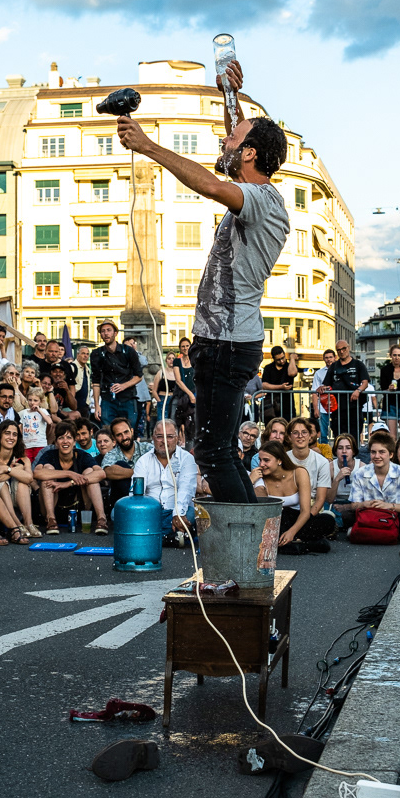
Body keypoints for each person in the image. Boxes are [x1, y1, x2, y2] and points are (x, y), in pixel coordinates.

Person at [117, 59, 289, 504]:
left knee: (213, 452)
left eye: (232, 137)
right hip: (218, 341)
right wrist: (228, 97)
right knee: (220, 451)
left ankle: (249, 550)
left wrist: (150, 147)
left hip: (230, 344)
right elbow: (235, 154)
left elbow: (215, 184)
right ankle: (249, 548)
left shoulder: (263, 200)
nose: (223, 138)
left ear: (251, 153)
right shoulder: (255, 189)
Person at [252, 441, 331, 552]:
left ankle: (291, 543)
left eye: (266, 460)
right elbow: (264, 509)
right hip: (275, 521)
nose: (261, 464)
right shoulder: (259, 476)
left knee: (328, 521)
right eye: (260, 460)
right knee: (280, 519)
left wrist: (291, 532)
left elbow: (305, 511)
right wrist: (251, 481)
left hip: (298, 520)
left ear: (279, 460)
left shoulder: (299, 472)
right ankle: (304, 545)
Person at [348, 431, 400, 542]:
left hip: (393, 516)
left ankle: (361, 530)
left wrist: (388, 506)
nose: (377, 456)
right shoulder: (360, 473)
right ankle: (396, 532)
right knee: (347, 515)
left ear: (391, 454)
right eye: (373, 452)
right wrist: (365, 504)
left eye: (382, 452)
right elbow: (354, 505)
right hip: (369, 514)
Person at [33, 421, 107, 535]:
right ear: (56, 442)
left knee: (89, 472)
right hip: (53, 505)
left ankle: (102, 519)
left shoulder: (81, 455)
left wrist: (68, 483)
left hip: (79, 507)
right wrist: (69, 474)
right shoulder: (49, 454)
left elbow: (101, 473)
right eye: (61, 438)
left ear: (74, 442)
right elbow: (37, 473)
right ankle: (51, 519)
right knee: (47, 469)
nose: (65, 441)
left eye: (69, 437)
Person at [132, 420, 198, 544]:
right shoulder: (143, 461)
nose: (164, 441)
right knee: (117, 513)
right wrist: (137, 513)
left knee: (193, 514)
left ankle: (146, 536)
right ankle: (172, 537)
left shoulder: (187, 458)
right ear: (152, 438)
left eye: (170, 437)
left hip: (176, 511)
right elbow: (135, 493)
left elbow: (186, 488)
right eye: (159, 436)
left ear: (177, 438)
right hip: (151, 513)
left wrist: (178, 514)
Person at [0, 420, 35, 540]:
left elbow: (29, 478)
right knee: (2, 483)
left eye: (14, 434)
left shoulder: (23, 458)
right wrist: (17, 472)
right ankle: (17, 525)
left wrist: (6, 469)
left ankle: (29, 524)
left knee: (22, 483)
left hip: (19, 501)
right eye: (7, 433)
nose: (11, 437)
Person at [285, 417, 336, 537]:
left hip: (311, 512)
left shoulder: (322, 462)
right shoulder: (283, 459)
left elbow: (320, 499)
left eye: (304, 432)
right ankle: (306, 540)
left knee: (328, 521)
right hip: (289, 509)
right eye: (295, 433)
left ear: (310, 436)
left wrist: (305, 519)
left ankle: (296, 537)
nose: (300, 436)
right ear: (289, 437)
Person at [91, 320, 143, 428]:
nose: (106, 333)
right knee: (107, 430)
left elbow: (139, 376)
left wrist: (123, 386)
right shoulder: (97, 353)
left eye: (109, 330)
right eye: (103, 331)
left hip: (127, 397)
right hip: (108, 399)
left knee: (129, 429)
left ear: (115, 333)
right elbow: (95, 381)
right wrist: (97, 405)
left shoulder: (128, 351)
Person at [321, 340, 369, 446]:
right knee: (339, 437)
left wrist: (358, 390)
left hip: (354, 407)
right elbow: (327, 384)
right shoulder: (334, 366)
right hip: (337, 408)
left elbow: (365, 382)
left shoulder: (358, 364)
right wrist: (322, 389)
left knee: (354, 436)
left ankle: (354, 458)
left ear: (349, 348)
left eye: (344, 349)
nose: (342, 352)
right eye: (339, 350)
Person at [101, 416, 154, 509]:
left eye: (126, 432)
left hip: (148, 497)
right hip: (121, 502)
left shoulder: (147, 448)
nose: (124, 437)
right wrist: (138, 473)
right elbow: (107, 472)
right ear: (114, 438)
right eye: (119, 435)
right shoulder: (112, 454)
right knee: (120, 465)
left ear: (132, 431)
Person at [326, 433, 365, 527]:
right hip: (335, 503)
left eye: (348, 448)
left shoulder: (362, 468)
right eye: (340, 448)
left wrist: (346, 507)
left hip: (356, 504)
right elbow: (329, 499)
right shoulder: (330, 467)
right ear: (335, 451)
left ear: (354, 451)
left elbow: (366, 498)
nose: (344, 451)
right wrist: (337, 479)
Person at [261, 346, 298, 422]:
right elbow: (264, 385)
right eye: (278, 360)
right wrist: (281, 387)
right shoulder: (268, 368)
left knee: (288, 428)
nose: (281, 361)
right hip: (271, 406)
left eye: (283, 358)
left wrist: (292, 359)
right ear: (273, 358)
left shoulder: (289, 366)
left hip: (287, 405)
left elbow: (292, 373)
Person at [20, 387, 53, 463]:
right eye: (30, 400)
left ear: (40, 401)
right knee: (27, 464)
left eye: (35, 400)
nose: (32, 402)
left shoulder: (43, 411)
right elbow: (21, 427)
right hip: (27, 445)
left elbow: (49, 422)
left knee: (39, 463)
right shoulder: (24, 412)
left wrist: (39, 410)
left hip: (40, 444)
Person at [172, 337, 196, 444]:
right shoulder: (177, 361)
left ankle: (191, 444)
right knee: (174, 418)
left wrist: (193, 394)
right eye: (183, 346)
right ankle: (174, 441)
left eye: (187, 346)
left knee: (192, 421)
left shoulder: (195, 360)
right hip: (181, 394)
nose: (185, 348)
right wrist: (190, 393)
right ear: (180, 348)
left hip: (194, 394)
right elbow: (178, 380)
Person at [310, 348, 336, 443]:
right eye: (326, 358)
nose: (329, 359)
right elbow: (314, 392)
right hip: (323, 407)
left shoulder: (339, 371)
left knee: (337, 430)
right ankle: (323, 454)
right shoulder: (319, 373)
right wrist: (316, 409)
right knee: (323, 433)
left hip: (336, 407)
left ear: (335, 358)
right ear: (323, 359)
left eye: (330, 357)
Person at [153, 352, 177, 422]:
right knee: (162, 421)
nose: (171, 360)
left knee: (173, 421)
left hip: (174, 400)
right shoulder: (160, 373)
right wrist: (159, 401)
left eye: (173, 358)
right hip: (163, 399)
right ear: (166, 360)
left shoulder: (178, 374)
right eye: (169, 358)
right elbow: (154, 390)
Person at [74, 344, 94, 418]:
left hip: (84, 406)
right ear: (78, 355)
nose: (85, 356)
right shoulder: (72, 367)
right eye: (83, 353)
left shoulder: (87, 369)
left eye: (87, 354)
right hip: (74, 406)